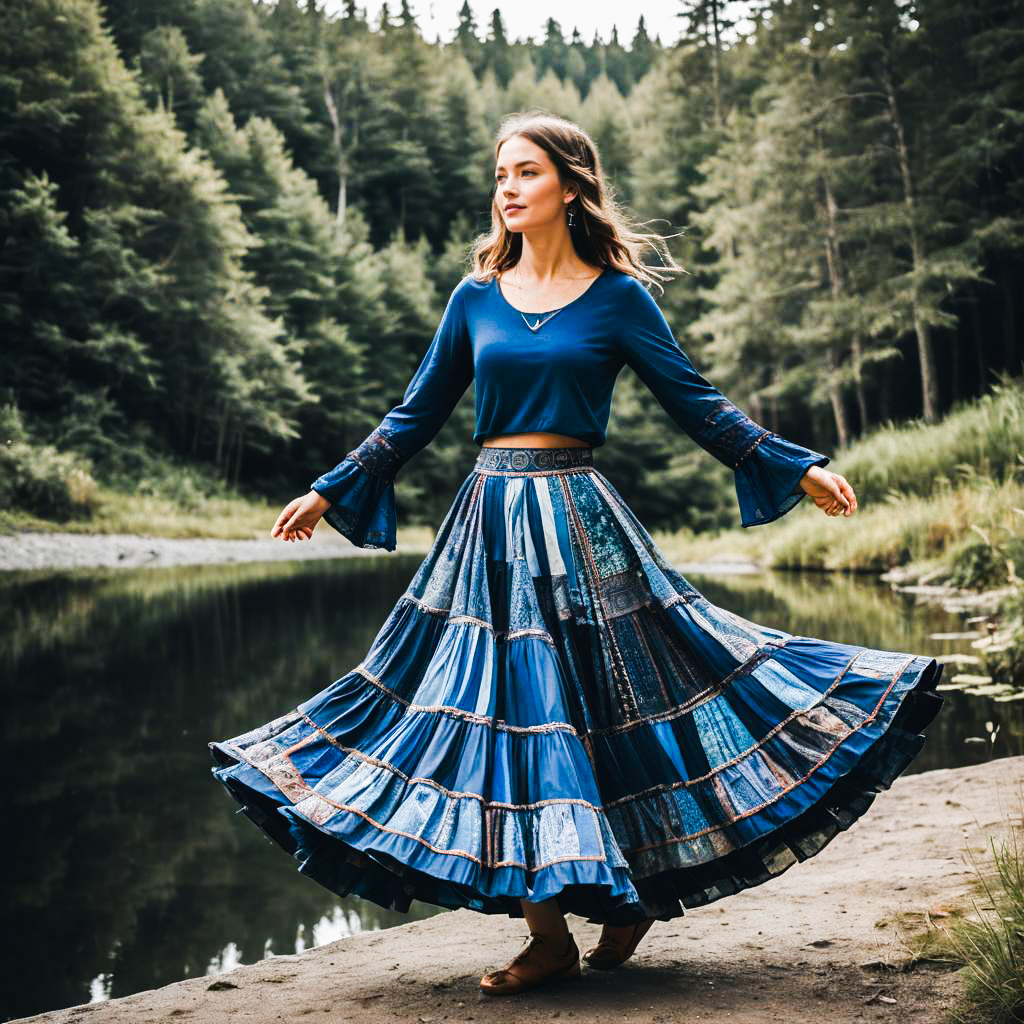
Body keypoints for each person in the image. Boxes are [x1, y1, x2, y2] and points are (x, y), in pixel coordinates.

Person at [208, 112, 944, 997]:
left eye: (524, 172)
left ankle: (628, 889)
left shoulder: (617, 299)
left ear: (569, 183)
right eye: (499, 174)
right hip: (487, 528)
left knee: (620, 701)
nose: (506, 188)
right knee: (511, 716)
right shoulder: (474, 298)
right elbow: (416, 413)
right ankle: (548, 934)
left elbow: (696, 401)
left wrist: (794, 466)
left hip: (581, 520)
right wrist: (331, 487)